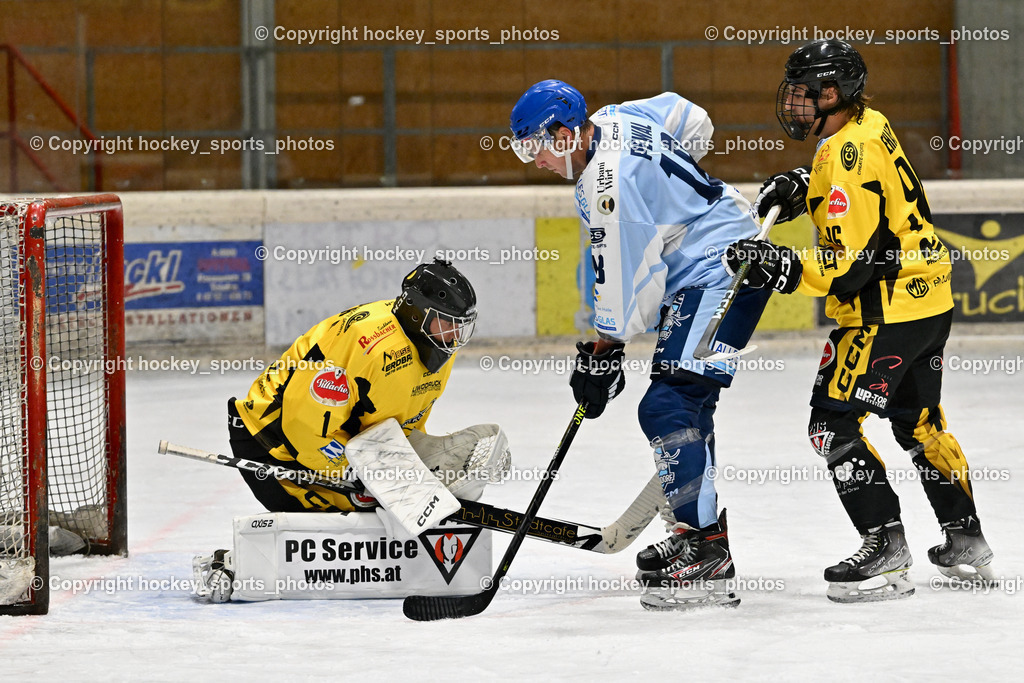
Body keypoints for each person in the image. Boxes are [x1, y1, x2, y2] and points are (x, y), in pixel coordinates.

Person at [724, 38, 995, 603]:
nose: (794, 103)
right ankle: (965, 537)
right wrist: (805, 186)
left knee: (832, 425)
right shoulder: (867, 124)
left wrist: (783, 266)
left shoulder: (848, 153)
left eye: (805, 93)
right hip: (928, 300)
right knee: (919, 423)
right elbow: (863, 193)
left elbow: (848, 268)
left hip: (883, 312)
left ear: (834, 92)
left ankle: (885, 545)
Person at [509, 80, 773, 610]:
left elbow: (629, 285)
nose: (532, 160)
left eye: (532, 145)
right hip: (726, 253)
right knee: (688, 404)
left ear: (563, 135)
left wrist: (603, 351)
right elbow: (691, 117)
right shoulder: (614, 116)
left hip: (720, 270)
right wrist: (676, 194)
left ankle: (705, 552)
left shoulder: (609, 187)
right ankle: (696, 535)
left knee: (668, 404)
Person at [194, 259, 510, 601]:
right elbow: (304, 429)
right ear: (418, 314)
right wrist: (359, 479)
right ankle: (230, 564)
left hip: (343, 442)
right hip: (273, 445)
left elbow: (405, 426)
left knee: (467, 454)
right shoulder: (368, 345)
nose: (454, 337)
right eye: (447, 325)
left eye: (460, 328)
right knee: (375, 505)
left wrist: (410, 476)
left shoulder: (435, 352)